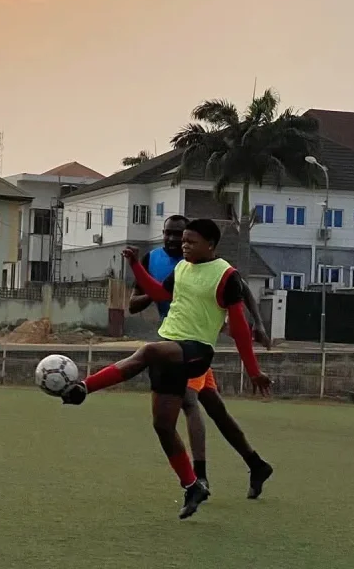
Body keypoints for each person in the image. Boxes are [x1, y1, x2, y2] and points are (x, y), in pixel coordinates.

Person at [62, 218, 272, 519]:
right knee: (163, 425)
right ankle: (193, 485)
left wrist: (253, 370)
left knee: (149, 355)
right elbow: (160, 294)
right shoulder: (182, 268)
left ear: (210, 245)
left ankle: (84, 387)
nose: (183, 244)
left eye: (191, 241)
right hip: (170, 347)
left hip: (197, 351)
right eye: (182, 239)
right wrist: (136, 265)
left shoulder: (225, 275)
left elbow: (239, 329)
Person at [129, 215, 273, 497]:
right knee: (216, 410)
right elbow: (133, 304)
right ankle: (256, 464)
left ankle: (200, 477)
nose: (174, 240)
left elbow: (242, 292)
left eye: (180, 235)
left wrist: (258, 324)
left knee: (189, 400)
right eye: (168, 234)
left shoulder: (210, 264)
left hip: (194, 345)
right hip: (174, 342)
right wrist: (159, 293)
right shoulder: (154, 260)